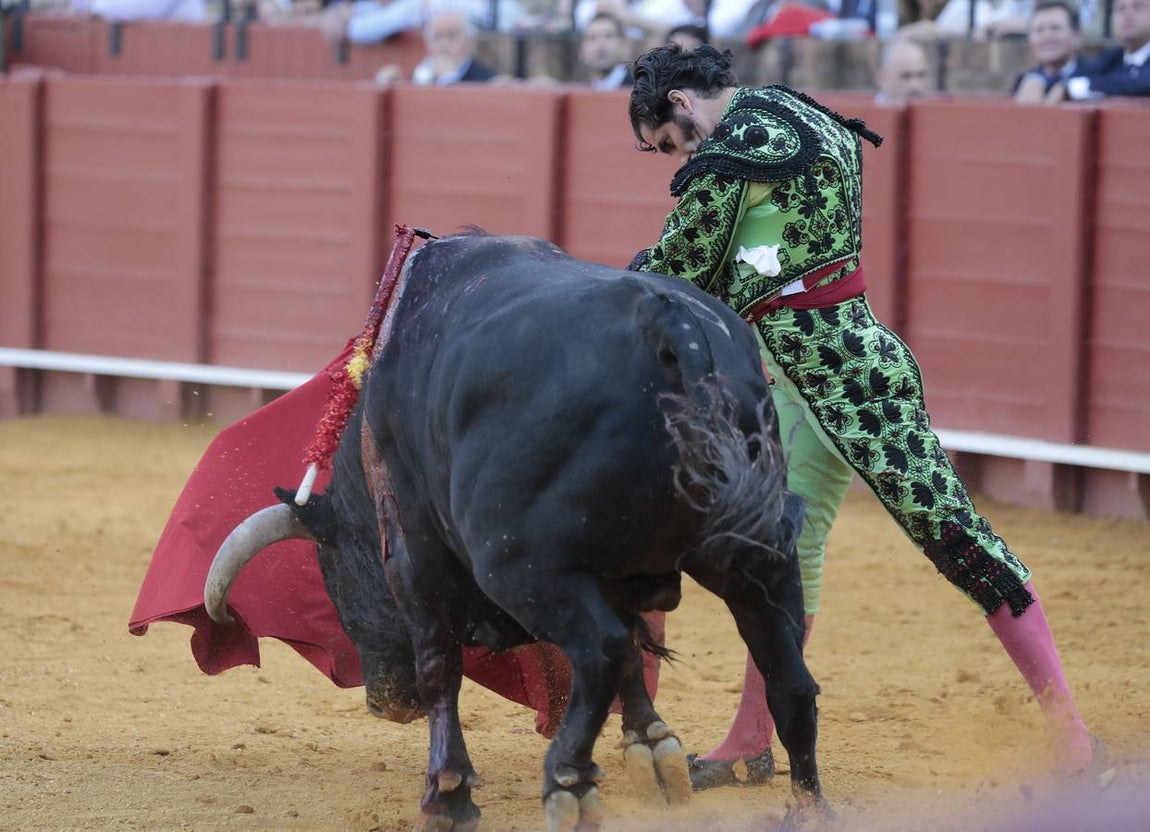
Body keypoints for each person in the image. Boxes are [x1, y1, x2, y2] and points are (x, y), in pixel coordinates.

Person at [623, 43, 1099, 789]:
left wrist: (584, 296)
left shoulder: (738, 153)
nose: (675, 162)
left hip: (847, 383)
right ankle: (751, 738)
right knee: (786, 544)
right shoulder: (791, 110)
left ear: (682, 104)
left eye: (667, 145)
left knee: (958, 539)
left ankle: (1072, 737)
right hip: (811, 372)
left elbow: (675, 267)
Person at [373, 9, 498, 85]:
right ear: (428, 44)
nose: (443, 44)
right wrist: (394, 85)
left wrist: (449, 80)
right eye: (437, 37)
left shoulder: (485, 79)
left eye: (452, 36)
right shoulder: (423, 72)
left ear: (470, 42)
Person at [1058, 0, 1150, 100]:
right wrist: (1050, 83)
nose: (1127, 14)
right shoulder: (1112, 58)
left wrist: (1074, 87)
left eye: (1138, 7)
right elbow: (1076, 74)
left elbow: (1138, 82)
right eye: (1120, 9)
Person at [1012, 1, 1081, 104]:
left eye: (1055, 28)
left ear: (1077, 37)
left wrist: (1068, 88)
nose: (1047, 36)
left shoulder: (1098, 72)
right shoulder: (1025, 80)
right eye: (1039, 30)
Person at [578, 11, 635, 88]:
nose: (600, 45)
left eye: (608, 36)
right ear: (582, 50)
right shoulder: (579, 90)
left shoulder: (641, 88)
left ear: (623, 46)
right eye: (593, 38)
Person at [875, 36, 932, 103]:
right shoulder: (863, 112)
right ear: (882, 79)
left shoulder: (937, 111)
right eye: (906, 76)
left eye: (921, 75)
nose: (915, 85)